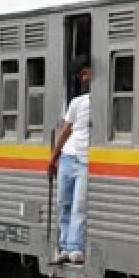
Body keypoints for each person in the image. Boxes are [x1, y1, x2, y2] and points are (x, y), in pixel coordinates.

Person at [47, 57, 92, 264]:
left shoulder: (100, 102)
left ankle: (76, 248)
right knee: (64, 203)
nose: (84, 79)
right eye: (81, 75)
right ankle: (64, 246)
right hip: (68, 156)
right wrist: (53, 157)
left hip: (86, 160)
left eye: (86, 73)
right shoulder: (78, 102)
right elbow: (66, 131)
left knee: (79, 205)